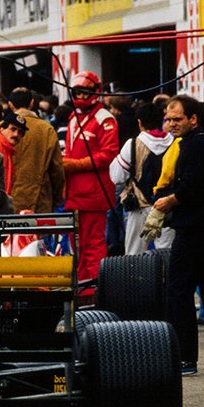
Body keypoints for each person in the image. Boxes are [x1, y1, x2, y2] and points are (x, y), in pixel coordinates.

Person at [148, 95, 204, 377]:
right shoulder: (199, 143)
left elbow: (193, 187)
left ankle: (185, 358)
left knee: (179, 291)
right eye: (169, 119)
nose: (172, 124)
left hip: (195, 229)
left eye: (177, 119)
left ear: (193, 119)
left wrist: (169, 201)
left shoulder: (196, 145)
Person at [63, 72, 119, 283]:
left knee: (93, 244)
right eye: (77, 92)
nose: (80, 96)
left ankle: (94, 289)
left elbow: (108, 155)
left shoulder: (105, 119)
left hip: (94, 194)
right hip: (74, 193)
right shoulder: (73, 117)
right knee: (76, 246)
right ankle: (80, 287)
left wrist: (75, 165)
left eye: (84, 92)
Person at [110, 101, 173, 254]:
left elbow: (116, 176)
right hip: (167, 206)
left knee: (134, 254)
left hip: (139, 206)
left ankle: (135, 278)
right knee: (166, 253)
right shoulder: (174, 143)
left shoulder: (132, 144)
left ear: (139, 123)